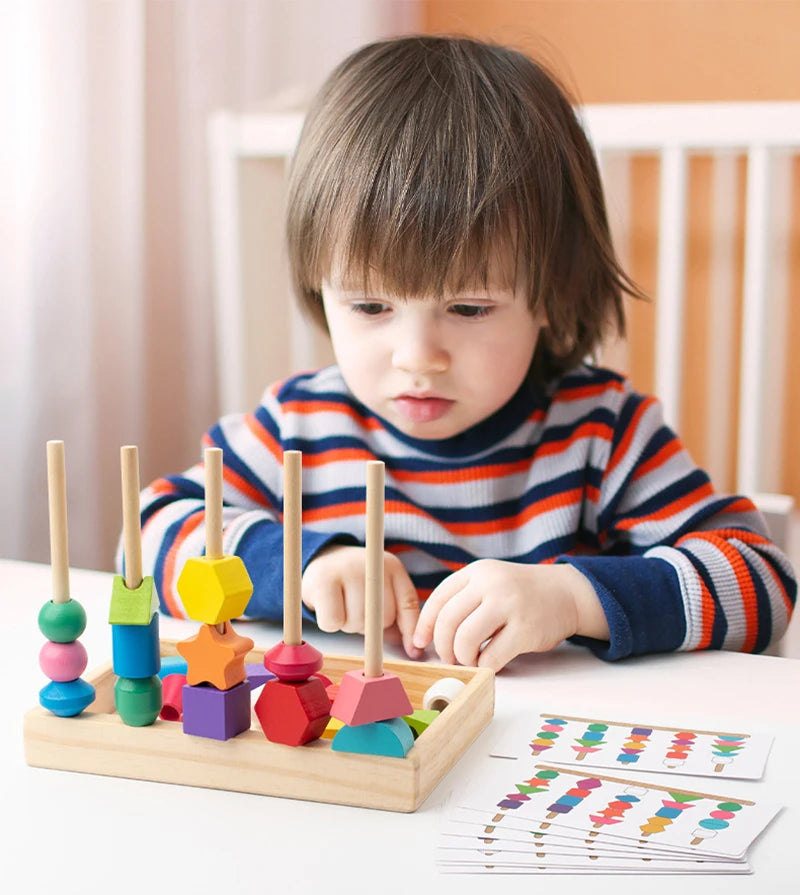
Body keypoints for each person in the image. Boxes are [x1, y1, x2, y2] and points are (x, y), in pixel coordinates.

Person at [130, 35, 796, 671]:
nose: (419, 357)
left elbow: (762, 581)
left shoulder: (603, 433)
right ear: (318, 288)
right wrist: (299, 566)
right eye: (370, 307)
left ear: (547, 293)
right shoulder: (299, 426)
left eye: (469, 308)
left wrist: (573, 598)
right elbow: (150, 534)